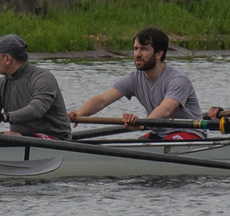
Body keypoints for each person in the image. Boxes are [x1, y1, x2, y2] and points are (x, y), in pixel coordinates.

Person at [72, 25, 205, 138]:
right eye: (136, 49)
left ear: (159, 54)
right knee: (131, 148)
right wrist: (77, 114)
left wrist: (142, 123)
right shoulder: (134, 78)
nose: (137, 54)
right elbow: (102, 100)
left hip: (189, 132)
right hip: (158, 132)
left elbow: (165, 109)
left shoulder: (177, 79)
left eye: (144, 49)